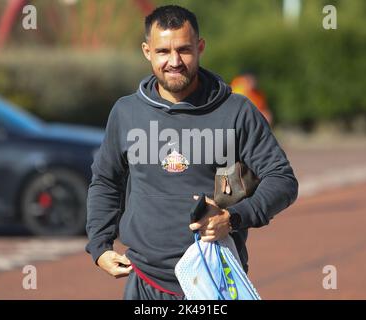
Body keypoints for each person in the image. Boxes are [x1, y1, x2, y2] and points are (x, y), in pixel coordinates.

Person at [85, 5, 298, 300]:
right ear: (147, 51)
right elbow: (105, 181)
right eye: (163, 52)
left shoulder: (236, 112)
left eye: (184, 50)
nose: (174, 61)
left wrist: (234, 217)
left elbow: (282, 180)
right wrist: (100, 246)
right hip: (145, 282)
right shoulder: (126, 112)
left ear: (200, 48)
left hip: (214, 280)